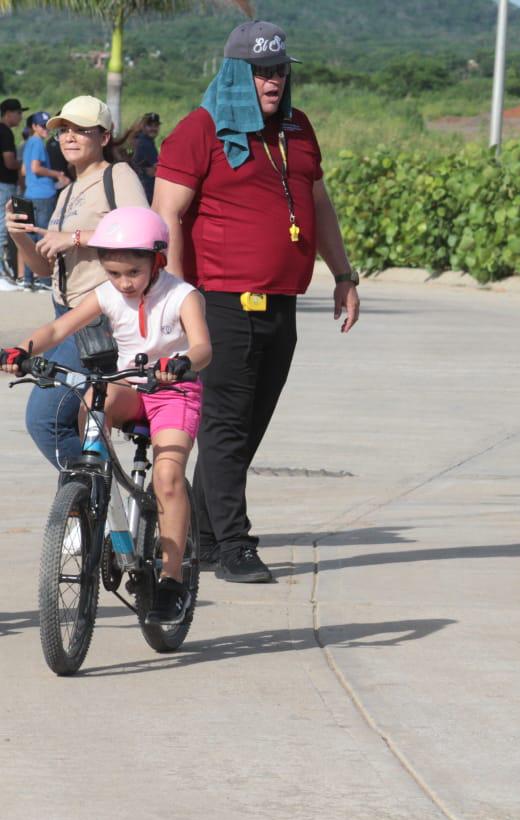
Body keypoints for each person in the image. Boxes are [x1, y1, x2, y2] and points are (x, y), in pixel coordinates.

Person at [154, 20, 361, 584]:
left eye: (278, 70)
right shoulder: (201, 129)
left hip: (281, 304)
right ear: (235, 73)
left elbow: (319, 201)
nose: (272, 81)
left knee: (246, 428)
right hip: (219, 301)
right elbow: (166, 213)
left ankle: (202, 536)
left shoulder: (297, 127)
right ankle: (235, 544)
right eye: (260, 71)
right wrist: (177, 297)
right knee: (224, 425)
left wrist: (342, 273)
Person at [0, 207, 210, 624]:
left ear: (158, 260)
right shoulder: (110, 293)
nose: (123, 282)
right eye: (114, 273)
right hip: (130, 385)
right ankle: (90, 483)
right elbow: (60, 329)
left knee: (167, 478)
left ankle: (170, 581)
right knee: (95, 393)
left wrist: (182, 362)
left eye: (132, 272)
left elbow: (204, 347)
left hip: (174, 390)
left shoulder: (183, 295)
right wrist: (21, 350)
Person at [3, 95, 149, 468]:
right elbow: (42, 269)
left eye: (81, 130)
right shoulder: (67, 190)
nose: (69, 137)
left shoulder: (117, 176)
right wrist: (20, 236)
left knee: (45, 420)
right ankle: (87, 508)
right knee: (64, 420)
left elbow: (141, 232)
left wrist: (77, 237)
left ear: (104, 136)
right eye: (64, 130)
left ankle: (95, 495)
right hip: (65, 314)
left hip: (98, 319)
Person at [20, 111, 64, 291]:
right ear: (34, 127)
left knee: (30, 237)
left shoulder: (29, 142)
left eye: (47, 126)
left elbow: (24, 171)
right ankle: (44, 279)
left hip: (30, 193)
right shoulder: (38, 142)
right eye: (42, 126)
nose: (45, 129)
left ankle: (28, 280)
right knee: (44, 236)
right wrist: (56, 174)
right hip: (44, 194)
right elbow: (35, 168)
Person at [0, 97, 25, 292]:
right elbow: (9, 161)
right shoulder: (5, 132)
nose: (20, 116)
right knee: (2, 229)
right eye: (18, 113)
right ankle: (1, 274)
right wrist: (23, 165)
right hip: (4, 184)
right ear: (9, 113)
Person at [120, 112, 160, 202]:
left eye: (156, 125)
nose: (153, 128)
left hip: (137, 189)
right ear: (143, 126)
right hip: (145, 191)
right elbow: (155, 170)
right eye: (149, 125)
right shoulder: (144, 143)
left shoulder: (140, 140)